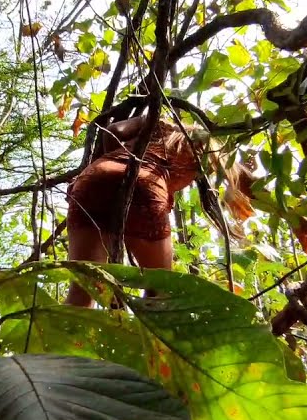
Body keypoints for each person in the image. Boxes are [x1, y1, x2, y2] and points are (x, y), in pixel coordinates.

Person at [64, 114, 255, 307]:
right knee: (160, 291)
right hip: (145, 185)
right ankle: (145, 337)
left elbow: (114, 131)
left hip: (92, 179)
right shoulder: (203, 142)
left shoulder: (155, 122)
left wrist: (116, 172)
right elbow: (245, 181)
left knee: (83, 291)